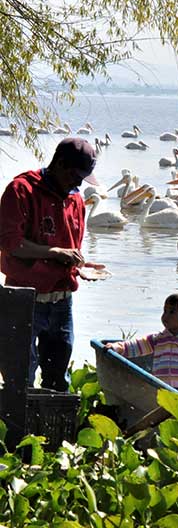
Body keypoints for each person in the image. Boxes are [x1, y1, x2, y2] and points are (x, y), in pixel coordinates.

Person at [0, 137, 103, 391]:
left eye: (83, 177)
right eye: (75, 175)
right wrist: (56, 252)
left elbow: (70, 249)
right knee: (19, 377)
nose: (78, 183)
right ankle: (16, 429)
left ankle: (53, 428)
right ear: (59, 163)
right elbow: (10, 243)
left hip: (62, 300)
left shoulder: (76, 199)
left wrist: (79, 265)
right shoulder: (21, 190)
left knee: (58, 379)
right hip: (24, 299)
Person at [104, 294, 178, 389]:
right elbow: (138, 345)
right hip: (160, 388)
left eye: (171, 312)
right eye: (165, 311)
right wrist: (118, 347)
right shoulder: (159, 339)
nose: (165, 316)